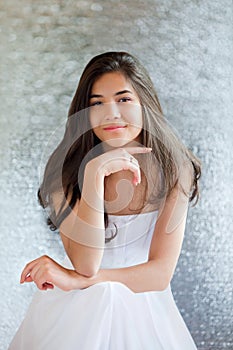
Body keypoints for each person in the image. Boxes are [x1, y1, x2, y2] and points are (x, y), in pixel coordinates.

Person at [9, 51, 201, 349]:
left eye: (124, 99)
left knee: (104, 295)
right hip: (80, 307)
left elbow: (160, 275)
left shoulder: (175, 167)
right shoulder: (67, 170)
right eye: (97, 103)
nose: (111, 113)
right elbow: (86, 263)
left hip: (146, 307)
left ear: (144, 104)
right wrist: (95, 174)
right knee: (99, 298)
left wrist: (78, 280)